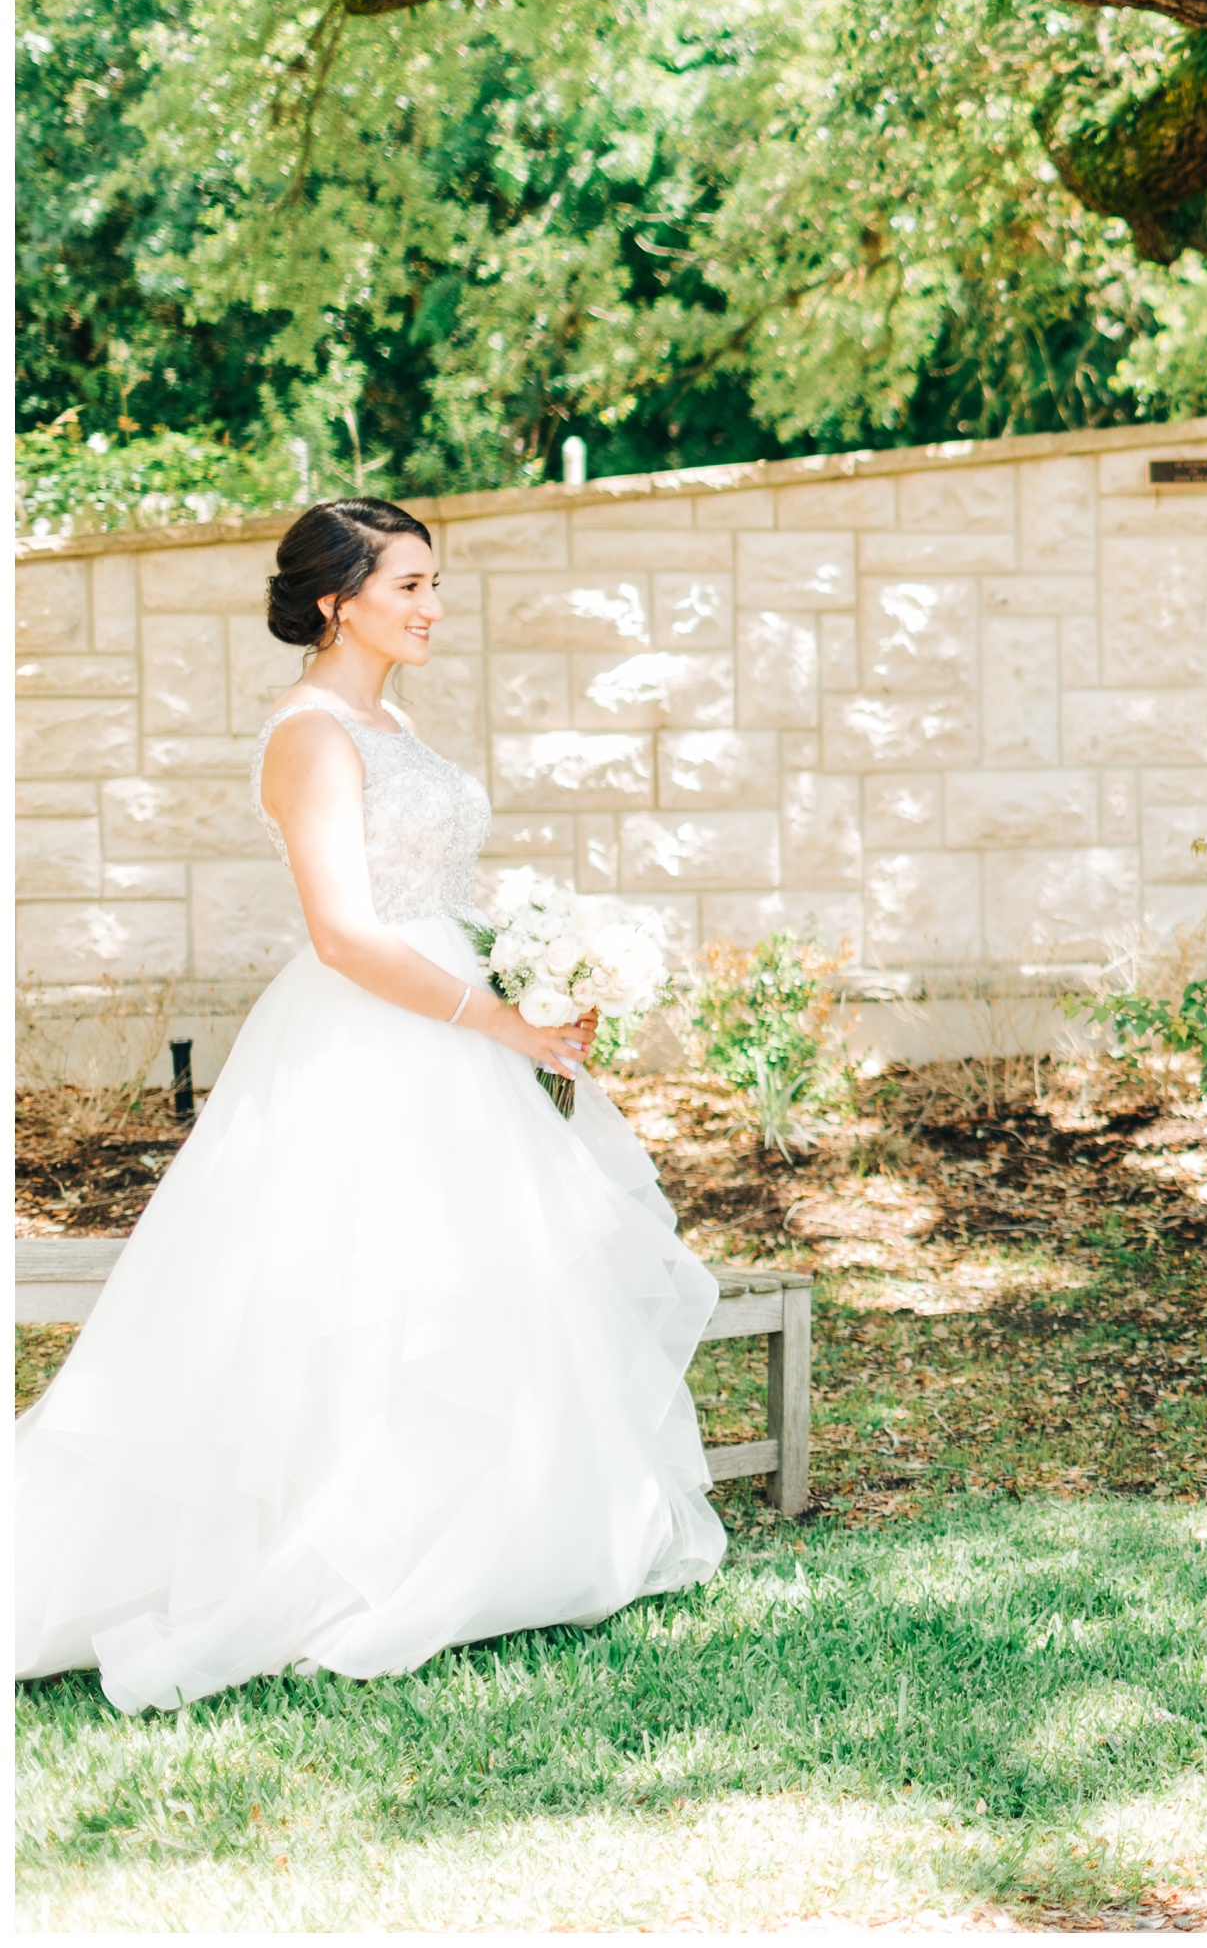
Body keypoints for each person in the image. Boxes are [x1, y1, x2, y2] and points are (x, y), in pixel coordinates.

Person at [16, 499, 725, 1713]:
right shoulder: (311, 734)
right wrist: (501, 1018)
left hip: (457, 1029)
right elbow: (346, 933)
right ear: (336, 598)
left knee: (486, 1284)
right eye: (408, 588)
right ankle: (343, 1559)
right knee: (366, 1292)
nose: (432, 608)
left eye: (435, 585)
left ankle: (498, 1539)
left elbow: (428, 895)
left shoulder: (390, 721)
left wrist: (541, 972)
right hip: (374, 1041)